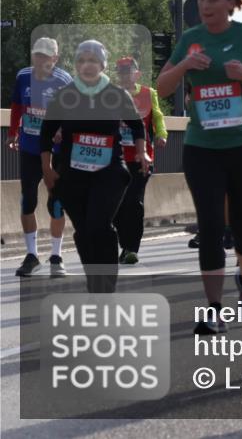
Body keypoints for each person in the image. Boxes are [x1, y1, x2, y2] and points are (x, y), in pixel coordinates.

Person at [157, 0, 242, 335]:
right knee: (210, 228)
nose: (204, 5)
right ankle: (213, 308)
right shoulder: (190, 40)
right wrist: (184, 66)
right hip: (203, 146)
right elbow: (162, 87)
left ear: (230, 3)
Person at [40, 40, 148, 292]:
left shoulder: (116, 94)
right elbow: (45, 134)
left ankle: (106, 287)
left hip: (108, 171)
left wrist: (142, 152)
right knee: (84, 230)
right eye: (82, 60)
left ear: (102, 65)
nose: (87, 65)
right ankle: (94, 282)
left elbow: (136, 125)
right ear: (76, 64)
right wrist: (47, 169)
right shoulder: (65, 95)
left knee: (99, 225)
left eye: (92, 60)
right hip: (71, 173)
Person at [9, 37, 72, 277]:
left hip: (56, 152)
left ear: (55, 58)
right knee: (28, 200)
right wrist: (13, 132)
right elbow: (17, 106)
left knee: (56, 203)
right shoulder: (23, 76)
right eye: (37, 54)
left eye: (46, 56)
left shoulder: (65, 81)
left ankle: (56, 256)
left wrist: (62, 130)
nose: (40, 59)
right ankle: (31, 255)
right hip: (29, 148)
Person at [113, 57, 167, 264]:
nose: (124, 75)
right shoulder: (112, 95)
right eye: (121, 72)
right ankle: (124, 245)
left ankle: (131, 248)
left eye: (128, 71)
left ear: (137, 74)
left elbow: (158, 117)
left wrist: (162, 134)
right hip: (116, 158)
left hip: (141, 158)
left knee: (133, 202)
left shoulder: (148, 93)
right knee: (116, 205)